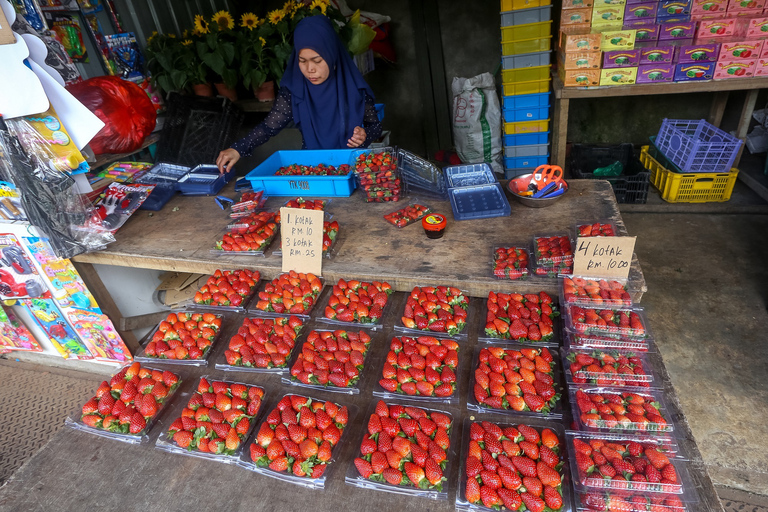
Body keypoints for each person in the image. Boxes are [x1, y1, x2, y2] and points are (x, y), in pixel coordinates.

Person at [216, 15, 382, 173]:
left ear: (331, 55)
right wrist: (238, 149)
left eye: (317, 61)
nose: (310, 69)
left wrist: (364, 135)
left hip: (353, 168)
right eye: (302, 61)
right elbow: (269, 127)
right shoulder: (295, 90)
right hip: (312, 170)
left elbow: (375, 126)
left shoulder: (353, 87)